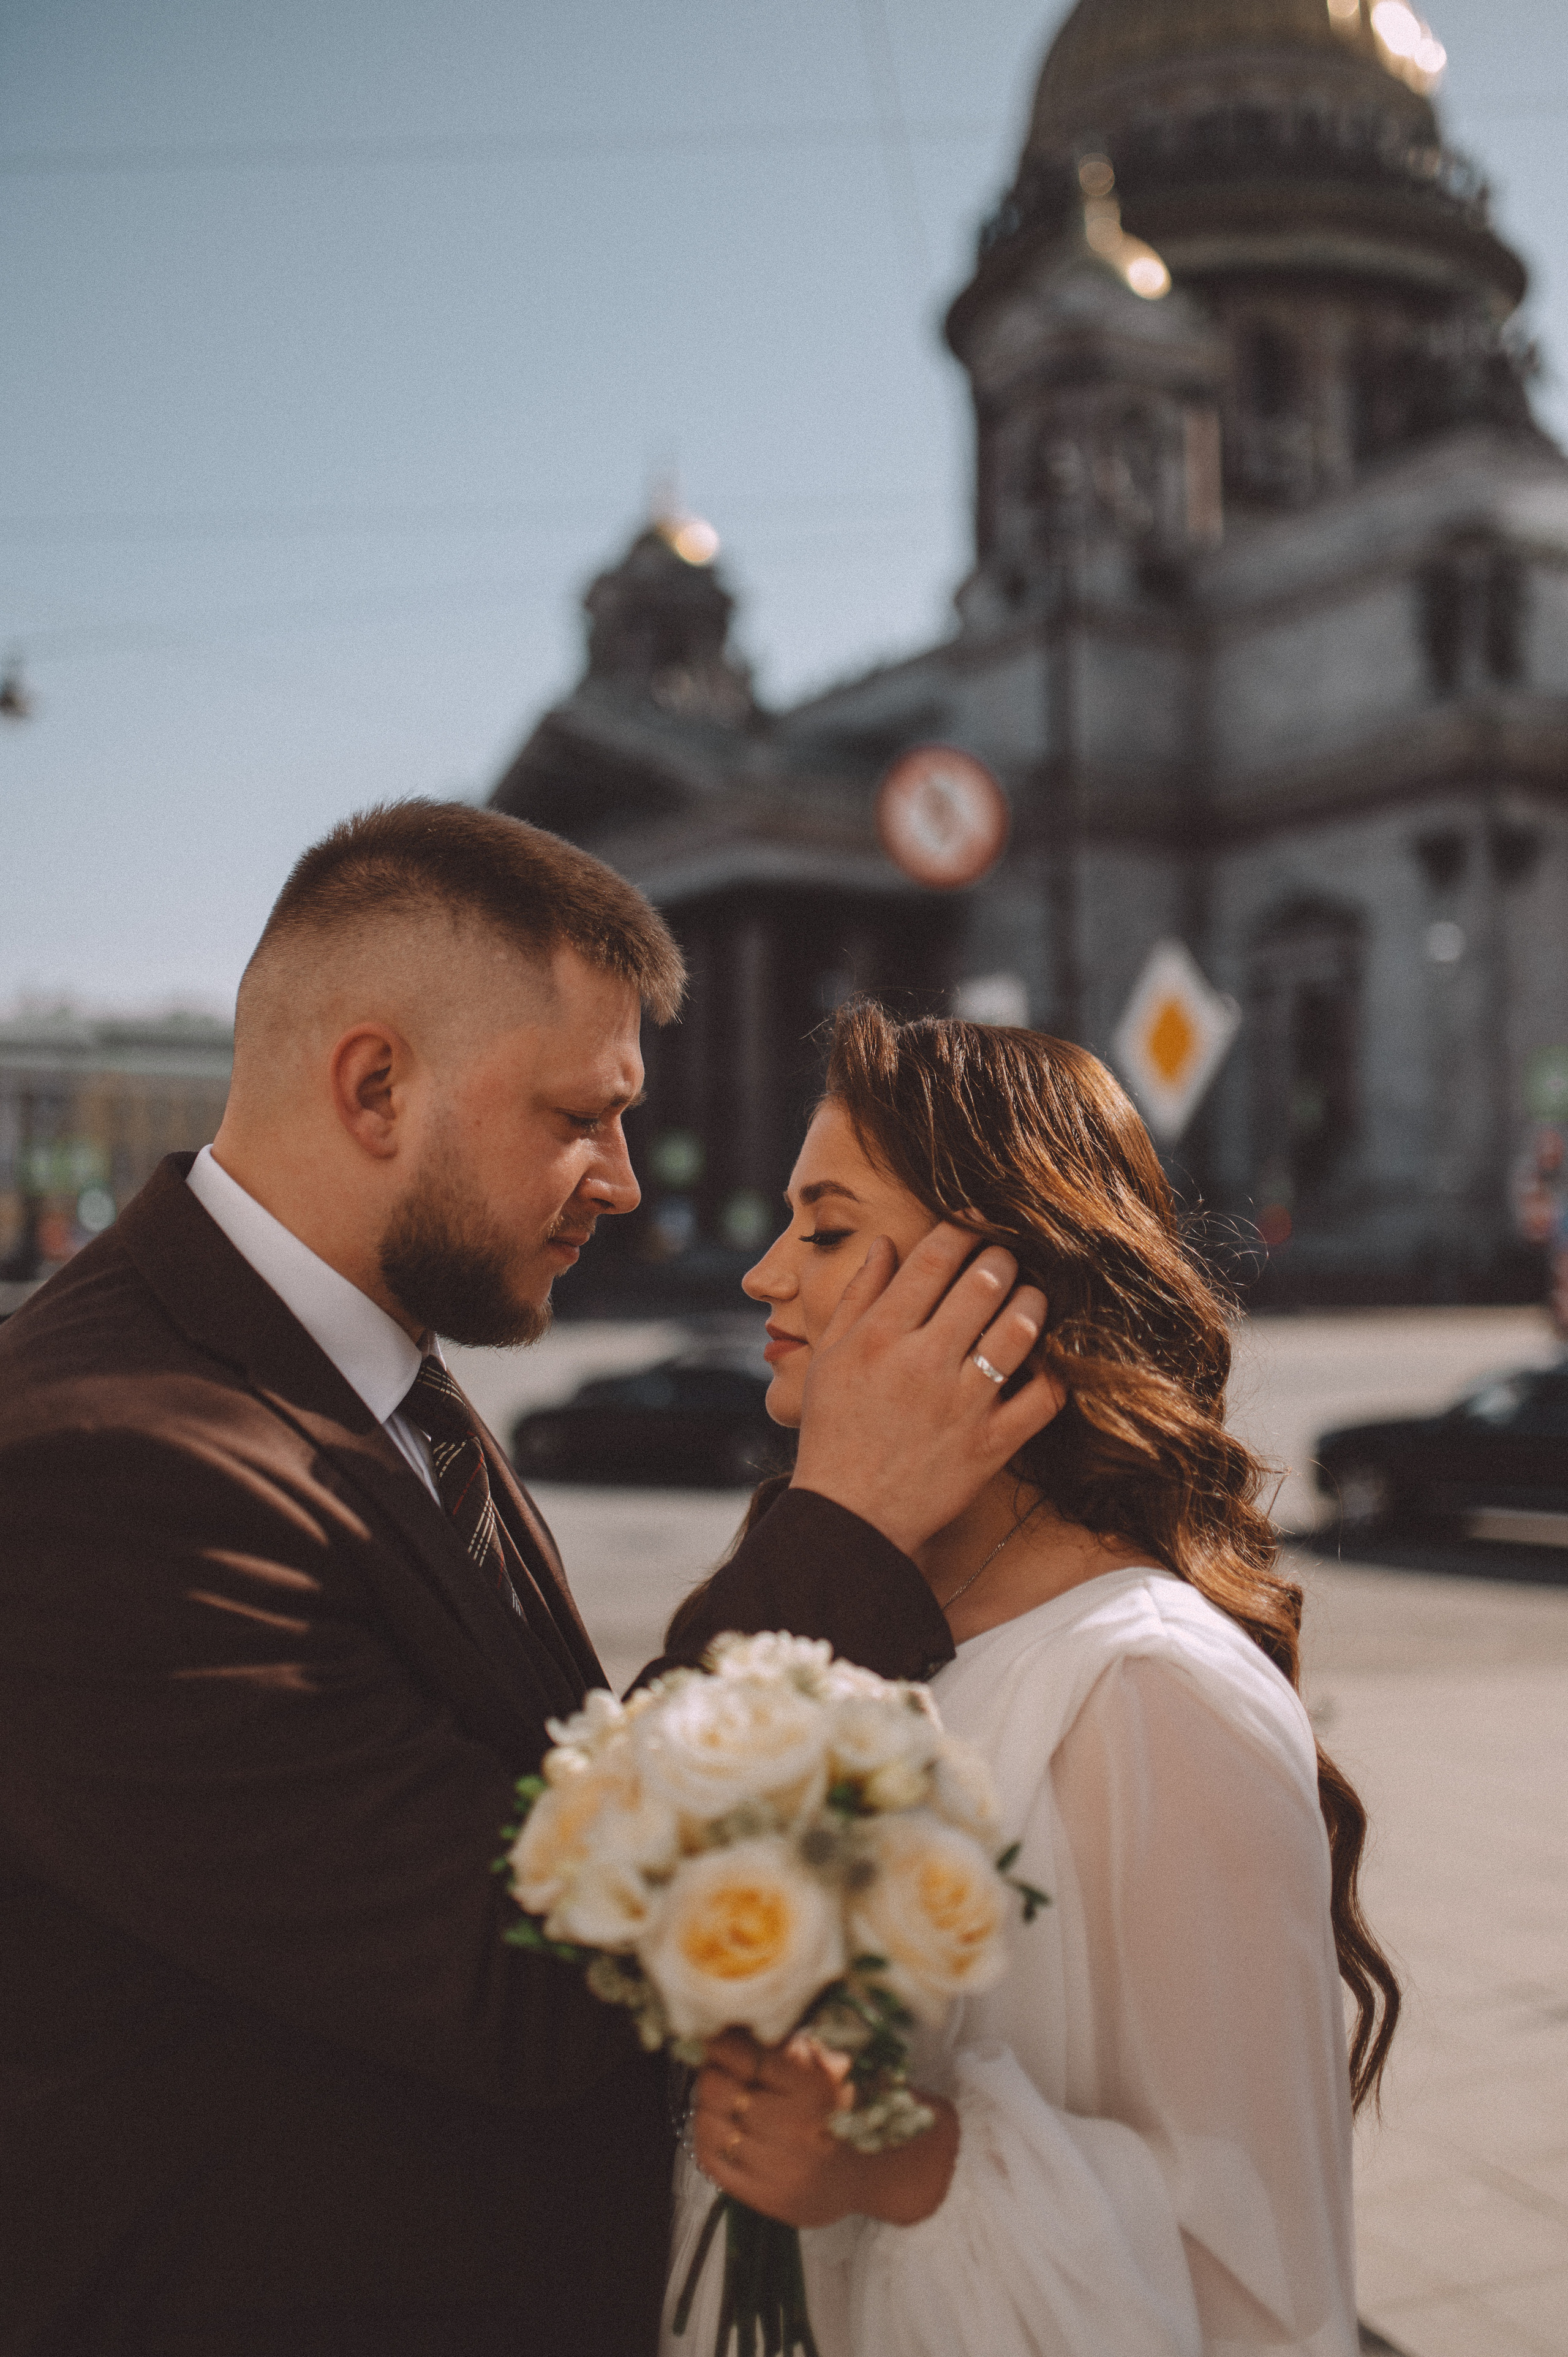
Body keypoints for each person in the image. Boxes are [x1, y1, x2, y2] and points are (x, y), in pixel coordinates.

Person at [0, 806, 1059, 2357]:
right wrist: (841, 1524)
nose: (620, 1180)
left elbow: (549, 1786)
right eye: (580, 1116)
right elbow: (522, 1967)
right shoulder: (113, 1462)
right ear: (375, 1086)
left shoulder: (366, 1374)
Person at [665, 1003, 1400, 2357]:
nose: (764, 1275)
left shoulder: (1152, 1691)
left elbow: (1261, 2277)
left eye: (824, 1231)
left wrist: (900, 2164)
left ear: (1000, 1283)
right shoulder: (848, 1616)